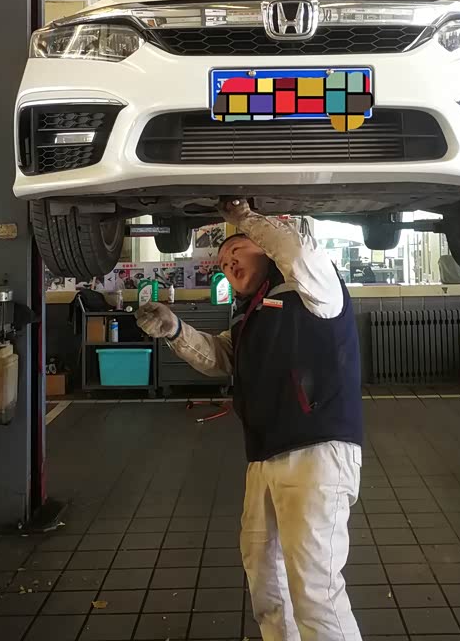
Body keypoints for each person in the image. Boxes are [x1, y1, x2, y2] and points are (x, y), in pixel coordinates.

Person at [137, 199, 363, 641]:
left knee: (315, 590)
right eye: (223, 264)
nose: (228, 265)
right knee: (267, 583)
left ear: (265, 246)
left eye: (236, 251)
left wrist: (244, 219)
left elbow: (295, 252)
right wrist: (176, 332)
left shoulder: (314, 286)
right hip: (263, 457)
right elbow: (221, 357)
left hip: (316, 451)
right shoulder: (249, 314)